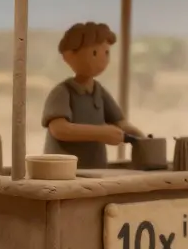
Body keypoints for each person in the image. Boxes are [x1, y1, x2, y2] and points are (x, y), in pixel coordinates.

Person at [42, 22, 144, 169]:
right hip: (63, 172)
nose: (102, 59)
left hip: (96, 168)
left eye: (106, 53)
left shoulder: (98, 91)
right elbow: (59, 129)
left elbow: (119, 122)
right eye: (95, 53)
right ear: (69, 55)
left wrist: (140, 136)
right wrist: (101, 133)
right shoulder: (62, 92)